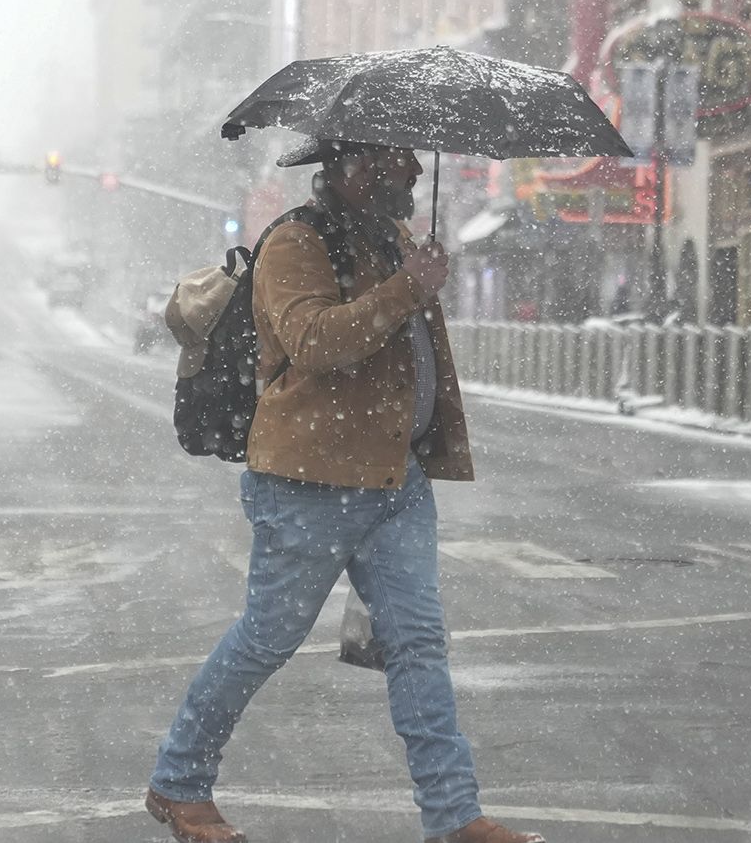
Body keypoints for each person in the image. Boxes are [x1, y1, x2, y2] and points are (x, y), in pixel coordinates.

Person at [145, 137, 545, 843]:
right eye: (401, 160)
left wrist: (417, 287)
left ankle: (455, 815)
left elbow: (401, 345)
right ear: (358, 167)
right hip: (309, 482)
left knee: (418, 642)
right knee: (267, 638)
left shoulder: (391, 237)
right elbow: (315, 342)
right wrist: (405, 291)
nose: (417, 171)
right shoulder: (296, 243)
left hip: (396, 479)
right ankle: (179, 783)